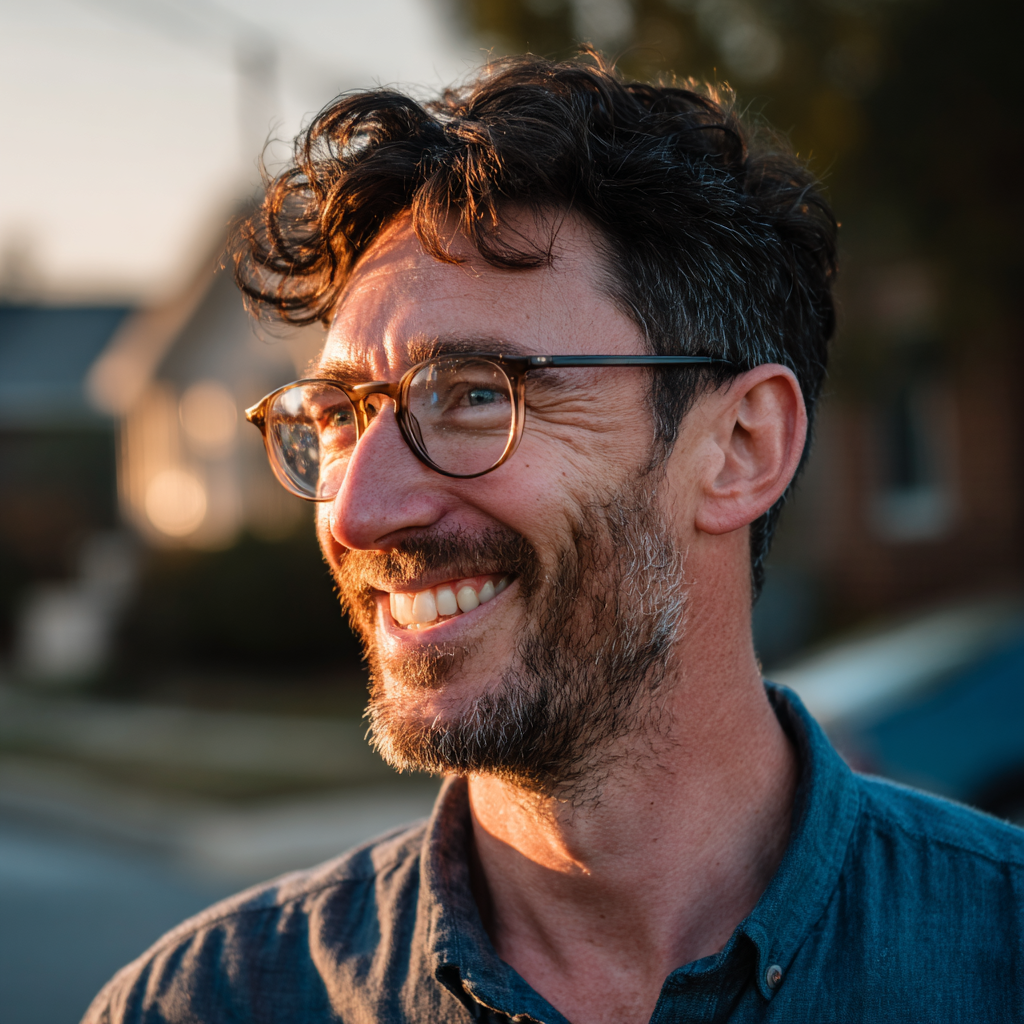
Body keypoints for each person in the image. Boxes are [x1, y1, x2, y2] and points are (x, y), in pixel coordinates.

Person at [84, 52, 1024, 1024]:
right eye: (337, 417)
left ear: (741, 448)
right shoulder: (207, 1003)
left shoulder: (999, 952)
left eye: (476, 396)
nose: (360, 511)